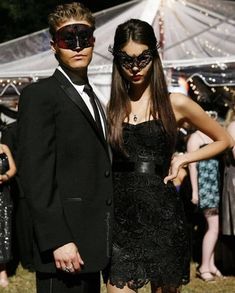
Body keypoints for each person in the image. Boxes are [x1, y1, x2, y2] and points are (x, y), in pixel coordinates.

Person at [105, 19, 233, 293]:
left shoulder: (176, 103)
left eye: (143, 58)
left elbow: (224, 139)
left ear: (155, 55)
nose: (136, 67)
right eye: (127, 60)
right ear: (117, 60)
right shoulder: (112, 107)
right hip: (121, 220)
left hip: (162, 217)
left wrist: (185, 159)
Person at [16, 3, 113, 293]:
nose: (78, 46)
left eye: (84, 38)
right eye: (67, 40)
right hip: (64, 247)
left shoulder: (94, 95)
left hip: (94, 243)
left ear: (94, 41)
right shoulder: (39, 95)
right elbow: (35, 174)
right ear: (53, 46)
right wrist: (57, 239)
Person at [187, 112, 224, 282]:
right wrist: (195, 191)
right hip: (205, 186)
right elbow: (192, 166)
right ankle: (203, 267)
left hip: (215, 185)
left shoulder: (212, 135)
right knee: (213, 227)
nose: (212, 117)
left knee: (213, 227)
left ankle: (210, 264)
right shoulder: (195, 138)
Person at [0, 143, 17, 287]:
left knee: (4, 231)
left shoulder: (4, 147)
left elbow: (13, 169)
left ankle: (2, 270)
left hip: (3, 196)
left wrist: (4, 177)